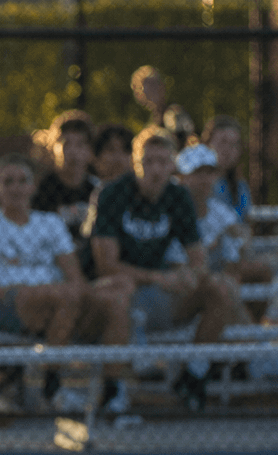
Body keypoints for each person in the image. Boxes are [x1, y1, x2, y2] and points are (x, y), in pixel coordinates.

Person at [86, 127, 242, 409]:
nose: (155, 170)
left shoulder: (178, 197)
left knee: (221, 289)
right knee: (120, 291)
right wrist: (160, 278)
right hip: (118, 295)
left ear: (172, 165)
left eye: (162, 162)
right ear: (134, 163)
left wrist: (190, 275)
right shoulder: (111, 195)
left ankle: (194, 376)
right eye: (148, 162)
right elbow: (106, 265)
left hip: (160, 294)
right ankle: (112, 389)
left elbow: (197, 259)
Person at [0, 154, 132, 408]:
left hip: (59, 303)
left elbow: (75, 279)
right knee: (62, 296)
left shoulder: (50, 224)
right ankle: (52, 385)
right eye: (8, 182)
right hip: (2, 305)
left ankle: (112, 391)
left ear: (33, 186)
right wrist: (14, 290)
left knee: (116, 299)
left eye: (23, 181)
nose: (16, 188)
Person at [167, 143, 278, 335]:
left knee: (259, 271)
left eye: (209, 173)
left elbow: (242, 236)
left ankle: (247, 341)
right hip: (182, 280)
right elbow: (174, 262)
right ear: (181, 178)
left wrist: (237, 246)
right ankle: (245, 347)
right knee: (222, 289)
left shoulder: (218, 210)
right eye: (197, 173)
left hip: (217, 275)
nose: (204, 180)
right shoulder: (169, 211)